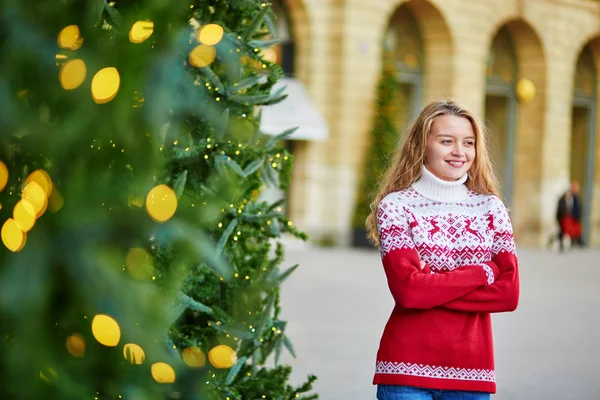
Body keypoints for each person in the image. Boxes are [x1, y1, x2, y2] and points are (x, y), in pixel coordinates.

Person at [365, 100, 520, 400]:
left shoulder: (490, 208)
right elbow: (409, 293)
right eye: (446, 141)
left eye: (469, 142)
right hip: (404, 369)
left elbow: (508, 294)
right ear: (422, 145)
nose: (459, 152)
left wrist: (431, 285)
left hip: (472, 372)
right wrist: (483, 272)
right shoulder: (396, 207)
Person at [555, 180, 583, 251]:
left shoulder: (575, 198)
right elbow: (560, 211)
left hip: (573, 218)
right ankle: (567, 239)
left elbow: (578, 210)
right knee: (567, 223)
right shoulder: (562, 199)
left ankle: (575, 239)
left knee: (576, 226)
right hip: (564, 218)